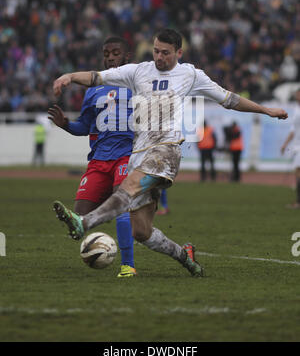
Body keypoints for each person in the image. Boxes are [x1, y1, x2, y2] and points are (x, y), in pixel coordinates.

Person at [51, 28, 288, 278]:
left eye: (165, 53)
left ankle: (83, 222)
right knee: (141, 232)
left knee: (127, 188)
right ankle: (184, 256)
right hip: (139, 155)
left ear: (179, 52)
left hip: (165, 151)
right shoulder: (137, 71)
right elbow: (96, 76)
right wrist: (69, 76)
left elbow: (228, 99)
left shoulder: (190, 74)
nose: (159, 57)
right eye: (156, 51)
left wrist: (265, 110)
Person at [48, 36, 137, 278]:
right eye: (106, 53)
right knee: (79, 220)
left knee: (122, 207)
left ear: (126, 57)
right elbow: (85, 127)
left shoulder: (137, 83)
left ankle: (128, 266)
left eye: (115, 52)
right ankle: (104, 219)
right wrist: (66, 124)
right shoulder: (93, 90)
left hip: (126, 156)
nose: (110, 57)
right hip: (99, 160)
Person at [281, 88, 300, 209]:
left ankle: (298, 202)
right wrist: (285, 144)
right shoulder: (296, 109)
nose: (297, 95)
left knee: (298, 172)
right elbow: (293, 130)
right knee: (298, 172)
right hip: (297, 146)